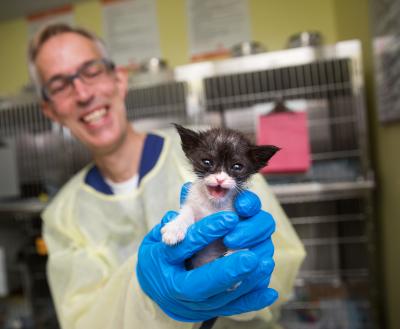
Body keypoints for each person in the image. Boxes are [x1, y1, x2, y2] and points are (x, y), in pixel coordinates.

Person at [28, 23, 305, 329]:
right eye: (59, 85)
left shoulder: (212, 155)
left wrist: (242, 284)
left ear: (119, 80)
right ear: (50, 110)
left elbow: (282, 270)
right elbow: (85, 321)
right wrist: (148, 296)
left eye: (91, 70)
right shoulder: (62, 217)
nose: (82, 93)